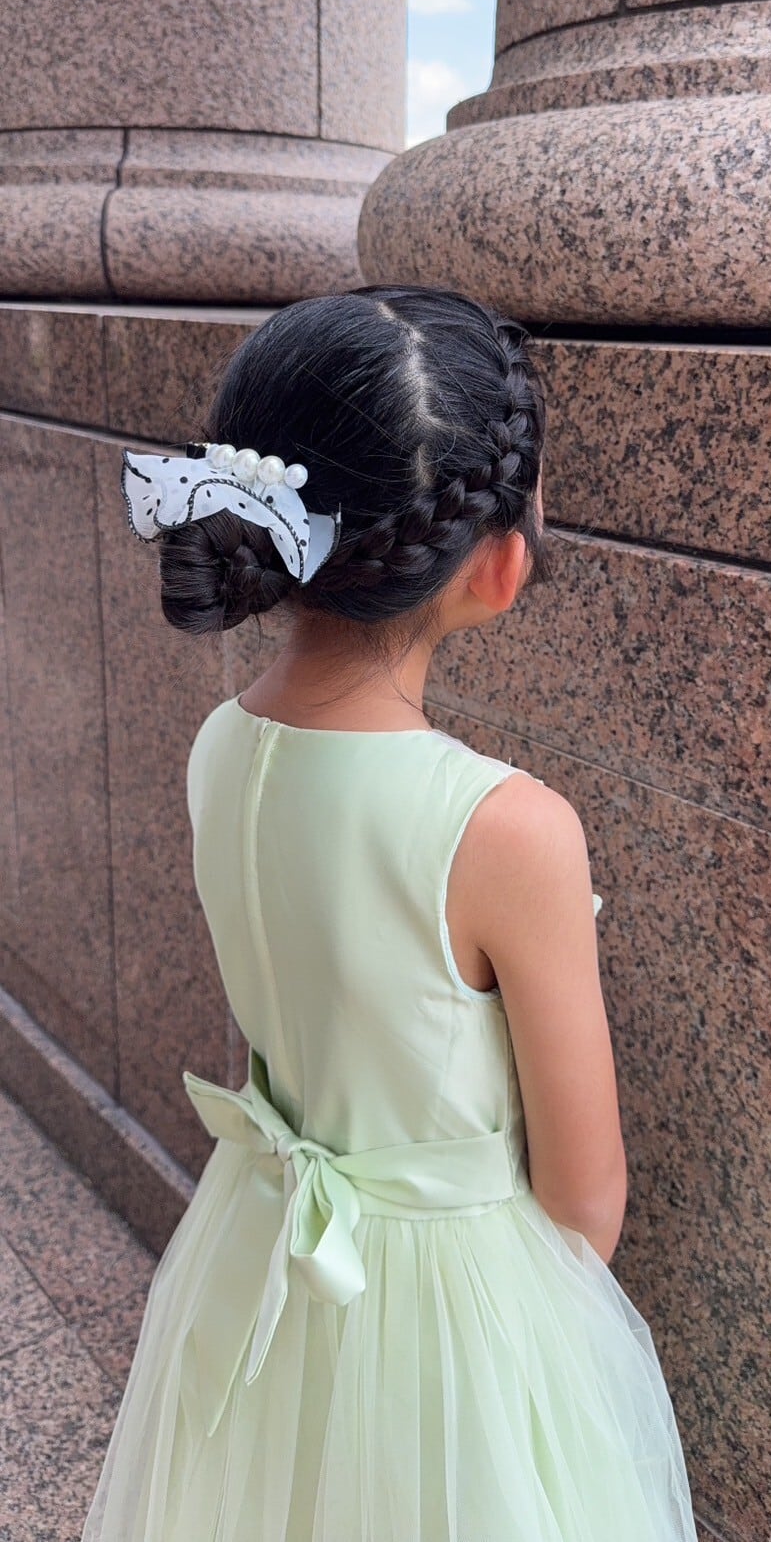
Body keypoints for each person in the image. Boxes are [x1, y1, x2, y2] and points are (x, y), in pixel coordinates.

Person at [83, 285, 697, 1541]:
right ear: (499, 565)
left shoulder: (221, 746)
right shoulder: (505, 827)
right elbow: (585, 1199)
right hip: (449, 1317)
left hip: (262, 1251)